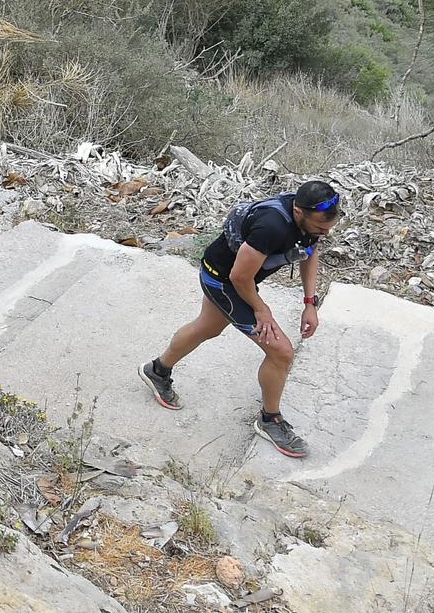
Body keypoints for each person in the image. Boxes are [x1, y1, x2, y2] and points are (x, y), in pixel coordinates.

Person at [138, 181, 341, 458]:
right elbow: (239, 277)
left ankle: (157, 370)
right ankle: (270, 420)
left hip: (230, 276)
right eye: (320, 226)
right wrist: (261, 309)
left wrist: (310, 303)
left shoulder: (311, 219)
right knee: (281, 352)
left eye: (328, 227)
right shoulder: (272, 227)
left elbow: (309, 251)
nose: (324, 231)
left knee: (206, 328)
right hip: (223, 280)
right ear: (298, 211)